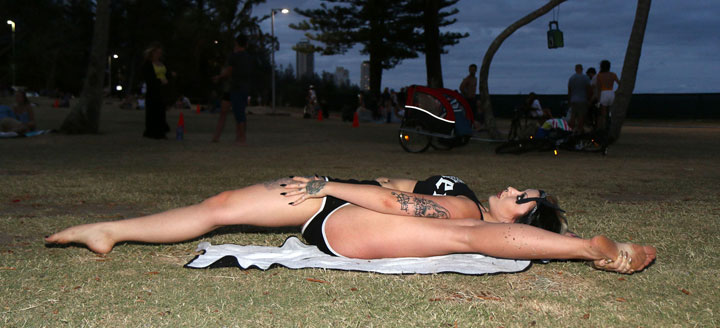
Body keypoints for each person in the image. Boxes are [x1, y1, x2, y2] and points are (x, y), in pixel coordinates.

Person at [44, 175, 655, 274]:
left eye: (526, 200)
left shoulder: (468, 202)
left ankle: (585, 249)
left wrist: (326, 184)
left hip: (344, 214)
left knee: (462, 233)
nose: (516, 192)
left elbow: (395, 206)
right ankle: (111, 228)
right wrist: (331, 191)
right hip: (331, 212)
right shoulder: (460, 189)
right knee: (223, 203)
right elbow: (394, 187)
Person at [212, 34, 253, 144]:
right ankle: (231, 137)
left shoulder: (235, 57)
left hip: (235, 87)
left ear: (236, 43)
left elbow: (229, 70)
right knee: (232, 112)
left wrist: (219, 77)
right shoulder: (246, 57)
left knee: (237, 113)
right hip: (235, 87)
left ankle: (240, 138)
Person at [141, 43, 171, 139]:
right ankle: (151, 131)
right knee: (152, 110)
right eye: (157, 53)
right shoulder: (148, 64)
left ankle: (161, 130)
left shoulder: (162, 63)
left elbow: (167, 74)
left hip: (162, 90)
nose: (158, 55)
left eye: (160, 53)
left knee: (161, 110)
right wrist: (159, 81)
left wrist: (168, 77)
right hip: (153, 90)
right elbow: (148, 78)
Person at [592, 60, 620, 130]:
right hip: (611, 92)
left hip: (603, 93)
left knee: (603, 115)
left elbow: (598, 88)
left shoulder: (599, 76)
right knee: (611, 113)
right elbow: (620, 84)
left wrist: (598, 100)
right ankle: (612, 128)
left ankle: (603, 129)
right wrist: (616, 92)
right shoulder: (613, 74)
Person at [567, 64, 592, 133]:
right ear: (582, 69)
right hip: (582, 100)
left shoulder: (571, 78)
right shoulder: (585, 78)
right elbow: (589, 89)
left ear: (575, 69)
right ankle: (580, 130)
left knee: (573, 115)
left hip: (573, 100)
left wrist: (569, 101)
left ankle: (571, 130)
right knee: (581, 116)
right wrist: (589, 99)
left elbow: (569, 91)